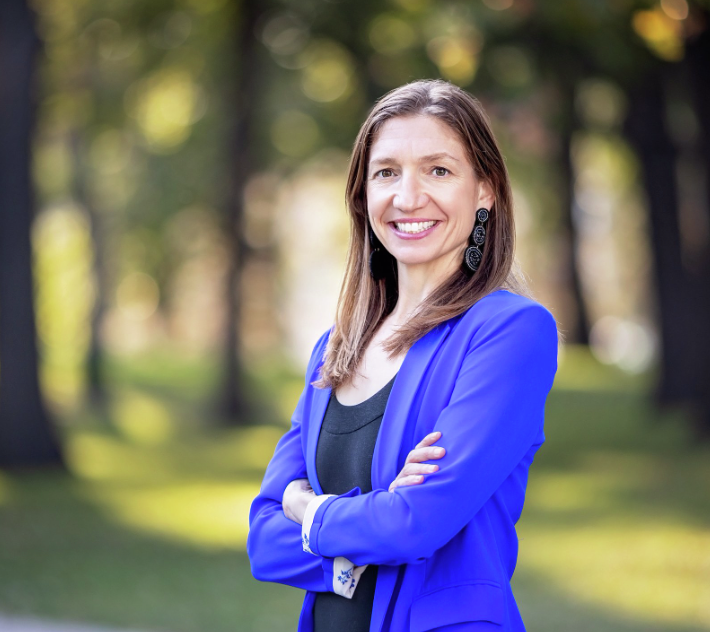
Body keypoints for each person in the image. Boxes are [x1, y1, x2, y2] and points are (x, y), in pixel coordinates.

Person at [247, 79, 559, 632]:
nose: (408, 197)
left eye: (438, 170)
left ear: (484, 189)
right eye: (386, 172)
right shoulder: (335, 347)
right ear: (363, 194)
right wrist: (365, 530)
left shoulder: (510, 332)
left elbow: (417, 523)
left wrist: (310, 510)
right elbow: (264, 539)